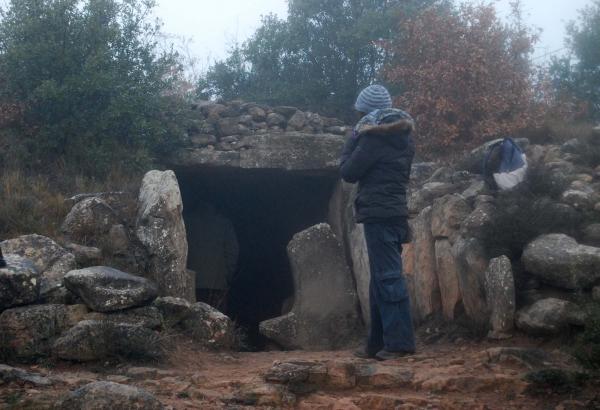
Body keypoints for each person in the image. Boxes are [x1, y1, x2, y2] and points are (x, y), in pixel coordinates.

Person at [340, 84, 416, 361]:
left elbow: (348, 171)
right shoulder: (405, 139)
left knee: (387, 277)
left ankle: (399, 343)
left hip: (379, 214)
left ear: (367, 113)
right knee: (381, 278)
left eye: (359, 113)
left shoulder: (372, 140)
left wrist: (354, 138)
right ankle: (376, 343)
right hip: (396, 212)